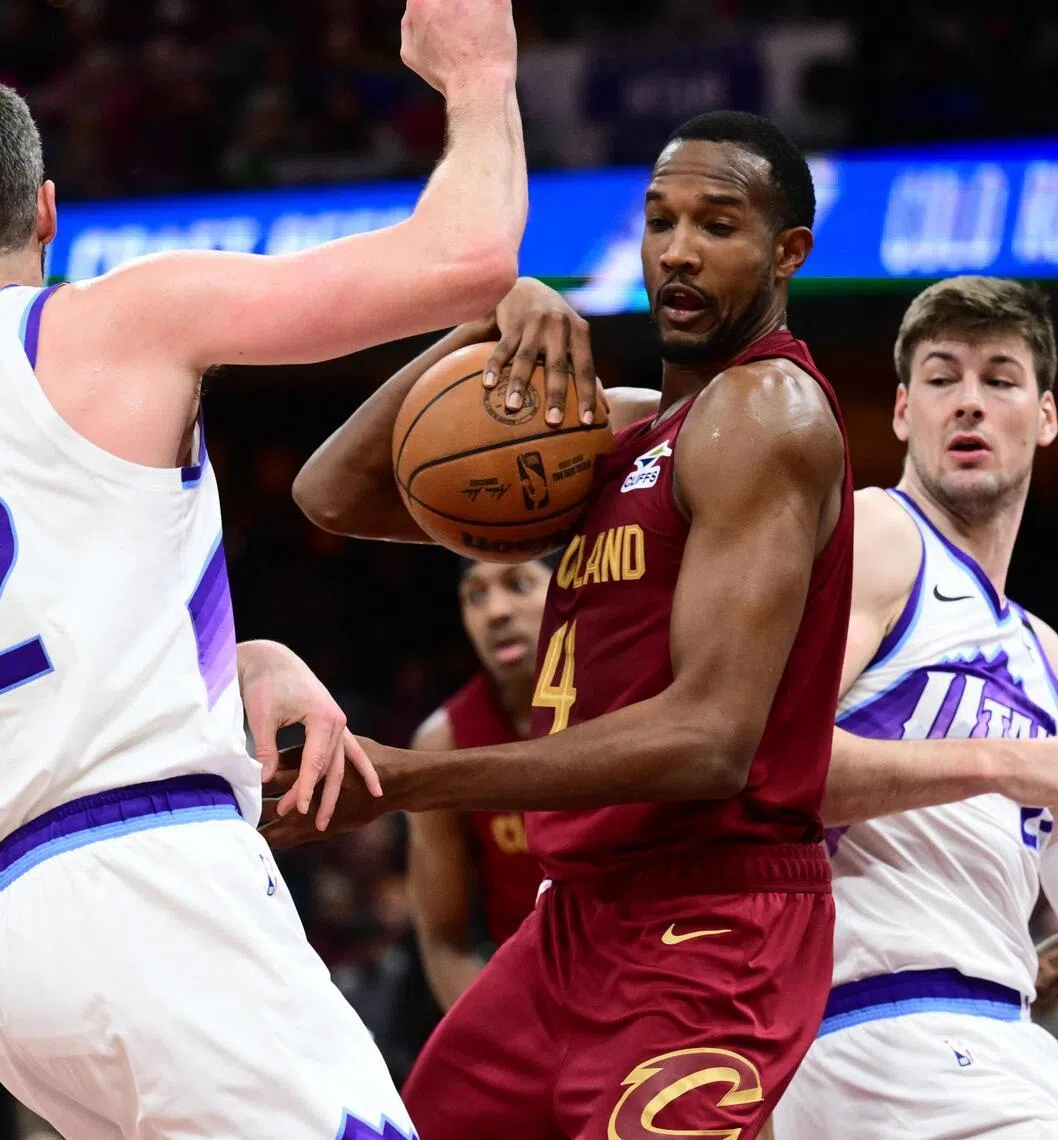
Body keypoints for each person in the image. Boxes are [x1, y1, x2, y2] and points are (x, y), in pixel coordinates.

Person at [0, 0, 527, 1132]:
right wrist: (479, 75)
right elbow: (469, 257)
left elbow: (46, 620)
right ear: (47, 212)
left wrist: (239, 654)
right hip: (145, 881)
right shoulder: (105, 323)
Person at [277, 109, 854, 1137]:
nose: (677, 249)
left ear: (787, 253)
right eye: (660, 220)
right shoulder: (628, 429)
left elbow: (711, 739)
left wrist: (411, 781)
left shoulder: (768, 415)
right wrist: (485, 321)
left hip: (712, 923)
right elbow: (332, 492)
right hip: (576, 920)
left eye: (718, 225)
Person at [771, 276, 1058, 1139]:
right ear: (903, 411)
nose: (969, 403)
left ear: (1045, 417)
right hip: (876, 1039)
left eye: (1000, 379)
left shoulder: (1042, 653)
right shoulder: (878, 537)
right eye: (943, 379)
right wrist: (1005, 761)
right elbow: (764, 769)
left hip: (996, 1044)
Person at [406, 557, 550, 1011]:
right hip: (531, 999)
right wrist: (505, 1038)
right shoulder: (444, 743)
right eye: (475, 596)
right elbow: (443, 940)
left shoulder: (634, 711)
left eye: (519, 584)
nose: (496, 612)